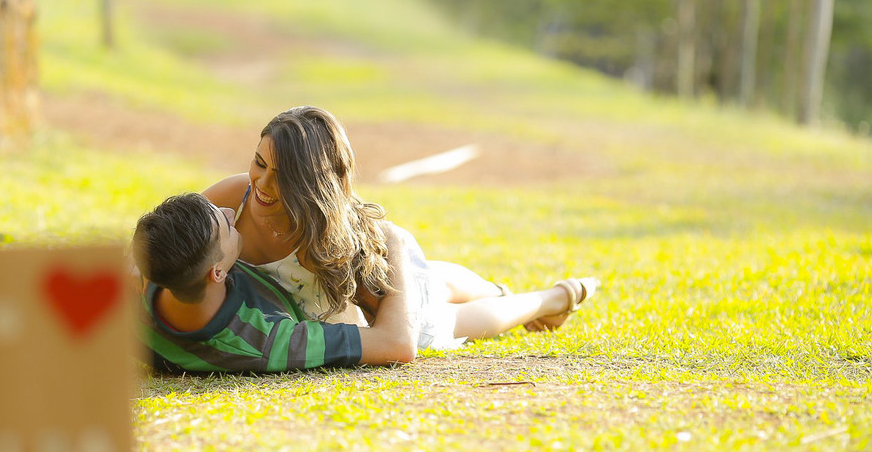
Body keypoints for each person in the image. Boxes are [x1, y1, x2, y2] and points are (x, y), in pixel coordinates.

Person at [202, 105, 598, 350]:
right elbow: (175, 238)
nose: (263, 184)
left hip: (387, 286)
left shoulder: (324, 243)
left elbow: (389, 333)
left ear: (312, 186)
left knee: (446, 313)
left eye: (283, 175)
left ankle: (548, 300)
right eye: (259, 163)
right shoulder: (234, 196)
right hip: (381, 267)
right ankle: (502, 289)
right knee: (441, 279)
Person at [131, 193, 417, 373]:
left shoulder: (155, 271)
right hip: (397, 301)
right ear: (216, 273)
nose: (231, 213)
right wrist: (394, 241)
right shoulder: (266, 342)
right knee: (447, 299)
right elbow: (396, 344)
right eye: (225, 225)